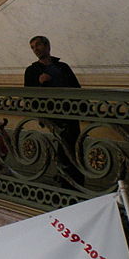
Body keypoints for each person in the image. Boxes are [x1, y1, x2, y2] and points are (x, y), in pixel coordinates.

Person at [23, 35, 82, 184]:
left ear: (47, 46)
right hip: (52, 115)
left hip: (69, 113)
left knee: (75, 146)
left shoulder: (63, 67)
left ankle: (77, 181)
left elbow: (76, 88)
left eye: (37, 45)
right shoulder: (32, 70)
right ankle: (64, 180)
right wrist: (40, 84)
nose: (35, 49)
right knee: (63, 146)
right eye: (32, 47)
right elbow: (28, 96)